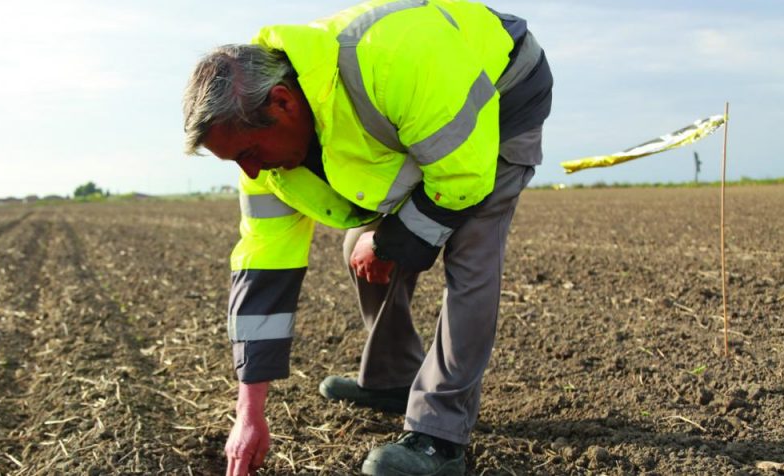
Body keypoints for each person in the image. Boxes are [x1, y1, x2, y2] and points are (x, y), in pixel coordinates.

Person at [181, 0, 552, 474]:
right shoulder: (260, 155)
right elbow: (263, 271)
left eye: (250, 152)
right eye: (235, 160)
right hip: (417, 115)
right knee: (354, 245)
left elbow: (464, 179)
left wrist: (387, 242)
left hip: (502, 88)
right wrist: (248, 414)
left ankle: (440, 438)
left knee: (471, 253)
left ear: (282, 101)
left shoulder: (393, 59)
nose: (250, 170)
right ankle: (395, 377)